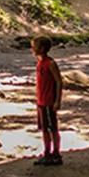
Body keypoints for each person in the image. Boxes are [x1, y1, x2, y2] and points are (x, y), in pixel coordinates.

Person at [31, 35, 63, 166]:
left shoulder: (50, 63)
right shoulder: (40, 62)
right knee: (44, 129)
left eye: (34, 46)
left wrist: (57, 101)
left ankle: (56, 154)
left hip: (49, 101)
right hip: (41, 101)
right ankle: (47, 153)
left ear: (42, 48)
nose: (32, 49)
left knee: (52, 129)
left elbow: (59, 82)